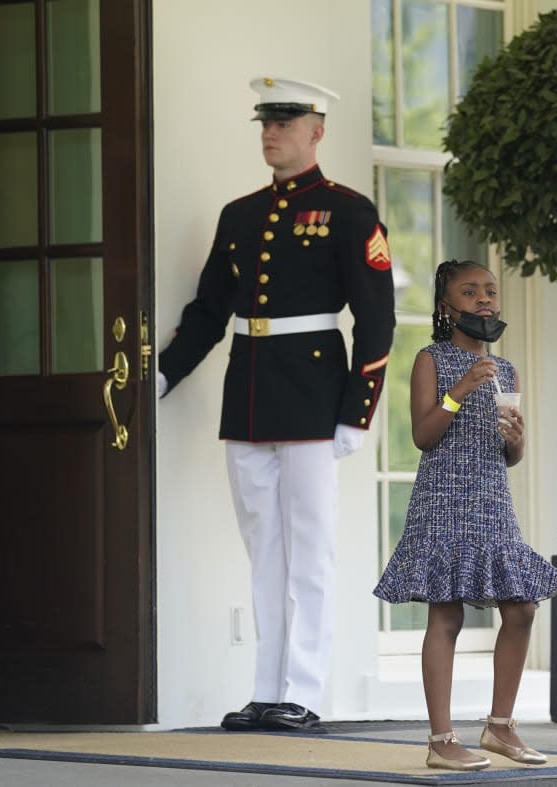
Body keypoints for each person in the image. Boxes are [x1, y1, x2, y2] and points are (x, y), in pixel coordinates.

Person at [157, 76, 396, 733]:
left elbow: (376, 320)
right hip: (252, 395)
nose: (271, 133)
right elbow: (210, 311)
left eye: (285, 123)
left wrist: (357, 409)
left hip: (316, 397)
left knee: (310, 549)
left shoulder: (348, 211)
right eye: (266, 122)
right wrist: (161, 375)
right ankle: (268, 688)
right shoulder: (239, 215)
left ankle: (307, 690)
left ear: (317, 131)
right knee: (263, 548)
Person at [373, 260, 557, 770]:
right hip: (443, 501)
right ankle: (441, 739)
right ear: (447, 305)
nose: (484, 299)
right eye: (470, 291)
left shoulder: (506, 370)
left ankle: (500, 728)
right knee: (447, 612)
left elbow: (509, 455)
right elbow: (423, 435)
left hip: (492, 499)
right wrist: (458, 392)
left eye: (490, 291)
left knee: (522, 607)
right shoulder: (431, 359)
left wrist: (518, 441)